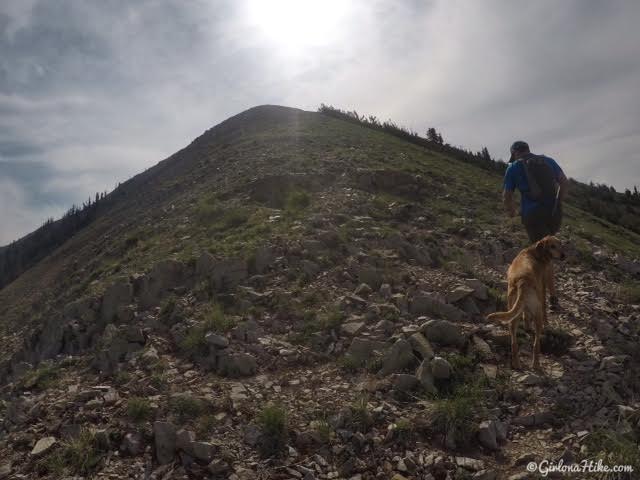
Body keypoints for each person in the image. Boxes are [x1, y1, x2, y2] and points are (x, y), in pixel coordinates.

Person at [502, 140, 569, 310]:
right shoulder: (548, 160)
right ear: (528, 150)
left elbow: (507, 195)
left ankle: (552, 298)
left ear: (515, 152)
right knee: (548, 251)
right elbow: (564, 182)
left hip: (533, 215)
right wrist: (558, 203)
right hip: (554, 214)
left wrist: (512, 212)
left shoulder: (514, 167)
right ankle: (549, 292)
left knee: (543, 257)